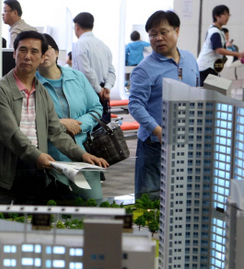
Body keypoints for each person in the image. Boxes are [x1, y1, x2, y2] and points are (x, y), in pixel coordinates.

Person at [0, 30, 108, 204]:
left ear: (42, 57)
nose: (27, 56)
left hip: (35, 171)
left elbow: (55, 132)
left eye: (34, 52)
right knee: (5, 227)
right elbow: (11, 134)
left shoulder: (41, 91)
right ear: (14, 53)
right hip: (5, 173)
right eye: (23, 50)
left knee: (36, 226)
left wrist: (82, 155)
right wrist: (37, 156)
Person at [129, 10, 198, 200]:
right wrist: (158, 131)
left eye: (163, 32)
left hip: (186, 142)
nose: (158, 38)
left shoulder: (190, 59)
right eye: (152, 34)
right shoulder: (144, 69)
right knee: (149, 200)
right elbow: (135, 105)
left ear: (177, 31)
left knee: (182, 196)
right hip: (154, 146)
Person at [36, 34, 103, 201]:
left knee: (94, 205)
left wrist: (79, 125)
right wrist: (59, 124)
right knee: (60, 209)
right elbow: (27, 120)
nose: (44, 55)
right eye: (39, 51)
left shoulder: (77, 77)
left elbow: (96, 108)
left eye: (47, 50)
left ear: (57, 52)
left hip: (84, 153)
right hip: (52, 158)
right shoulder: (31, 84)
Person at [72, 12, 115, 123]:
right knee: (103, 130)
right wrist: (107, 88)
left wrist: (99, 90)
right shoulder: (103, 45)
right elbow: (112, 71)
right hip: (103, 92)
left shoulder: (80, 44)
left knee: (88, 128)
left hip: (87, 93)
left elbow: (85, 72)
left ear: (77, 26)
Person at [197, 5, 244, 83]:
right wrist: (237, 54)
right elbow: (219, 50)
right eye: (224, 15)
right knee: (207, 92)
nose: (227, 17)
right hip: (206, 67)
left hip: (211, 67)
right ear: (216, 16)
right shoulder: (214, 32)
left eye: (228, 15)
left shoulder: (218, 31)